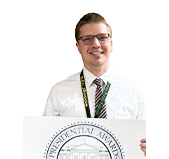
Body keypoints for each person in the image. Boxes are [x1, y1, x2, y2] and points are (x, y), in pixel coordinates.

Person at [43, 13, 146, 156]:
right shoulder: (59, 92)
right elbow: (45, 144)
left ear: (111, 44)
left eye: (102, 37)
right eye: (87, 39)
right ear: (78, 47)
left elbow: (144, 144)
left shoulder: (134, 93)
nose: (96, 44)